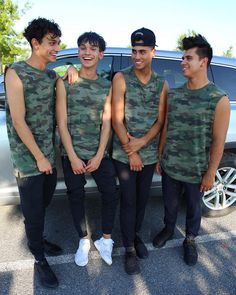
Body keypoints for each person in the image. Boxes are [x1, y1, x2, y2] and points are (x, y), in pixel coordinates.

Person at [152, 34, 230, 266]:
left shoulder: (218, 99)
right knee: (170, 204)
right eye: (182, 57)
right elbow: (166, 126)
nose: (182, 62)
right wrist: (160, 155)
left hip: (197, 170)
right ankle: (168, 229)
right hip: (171, 165)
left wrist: (210, 173)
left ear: (203, 62)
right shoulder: (175, 95)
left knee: (195, 209)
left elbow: (218, 141)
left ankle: (190, 239)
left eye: (188, 58)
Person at [5, 18, 62, 288]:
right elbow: (18, 120)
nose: (57, 48)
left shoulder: (52, 76)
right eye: (52, 42)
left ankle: (36, 238)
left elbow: (63, 90)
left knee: (42, 204)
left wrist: (71, 71)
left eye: (58, 42)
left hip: (48, 155)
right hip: (29, 160)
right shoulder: (15, 72)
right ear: (35, 43)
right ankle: (39, 257)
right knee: (34, 210)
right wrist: (38, 157)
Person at [56, 32, 119, 267]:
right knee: (76, 196)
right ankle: (83, 240)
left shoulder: (106, 86)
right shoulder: (67, 83)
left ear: (100, 54)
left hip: (98, 152)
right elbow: (61, 122)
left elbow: (107, 121)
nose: (87, 52)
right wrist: (72, 156)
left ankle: (105, 240)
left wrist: (100, 154)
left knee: (111, 193)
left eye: (93, 48)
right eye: (83, 48)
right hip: (71, 152)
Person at [112, 27, 168, 275]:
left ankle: (134, 236)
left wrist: (142, 145)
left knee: (142, 200)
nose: (137, 56)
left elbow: (160, 121)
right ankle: (129, 249)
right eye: (134, 51)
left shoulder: (161, 84)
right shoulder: (121, 78)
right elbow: (116, 119)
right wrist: (131, 152)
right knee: (129, 201)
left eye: (142, 51)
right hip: (125, 153)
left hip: (147, 153)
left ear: (153, 52)